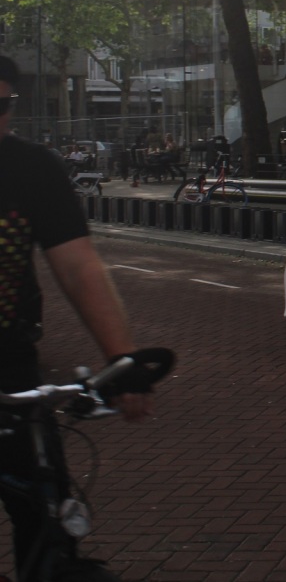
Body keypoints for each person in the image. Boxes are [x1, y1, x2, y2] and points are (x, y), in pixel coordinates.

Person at [0, 55, 156, 574]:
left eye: (0, 106)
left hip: (9, 365)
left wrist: (123, 361)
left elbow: (78, 268)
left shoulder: (30, 168)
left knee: (47, 514)